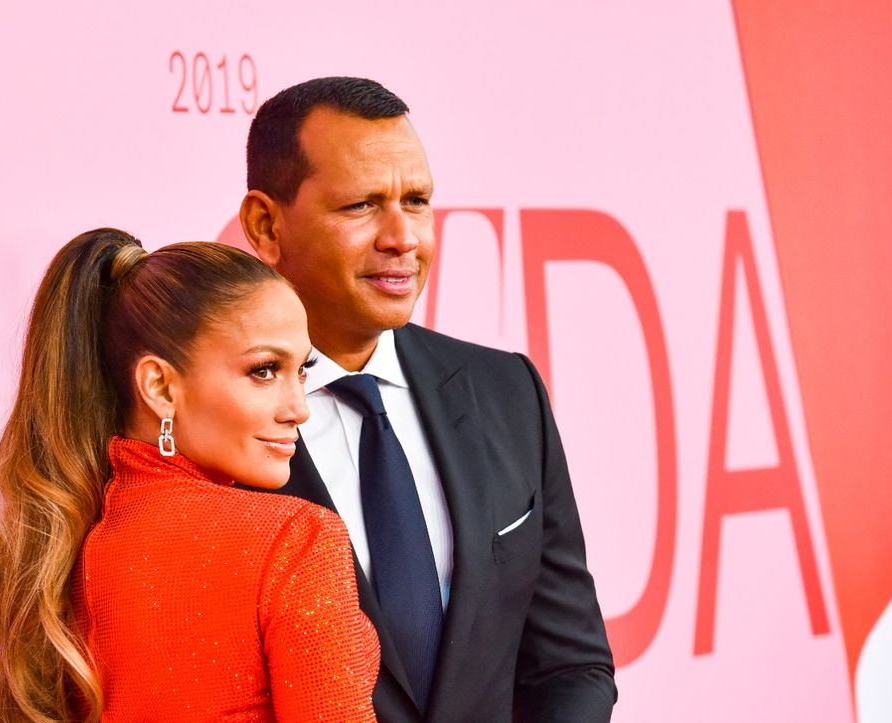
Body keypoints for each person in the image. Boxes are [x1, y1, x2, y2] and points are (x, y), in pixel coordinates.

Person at [238, 77, 618, 722]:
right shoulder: (204, 423)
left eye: (416, 201)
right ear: (266, 224)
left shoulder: (507, 391)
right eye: (361, 206)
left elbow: (569, 665)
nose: (402, 237)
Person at [0, 229, 379, 722]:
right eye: (264, 371)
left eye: (302, 369)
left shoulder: (64, 548)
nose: (299, 409)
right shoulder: (295, 539)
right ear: (159, 386)